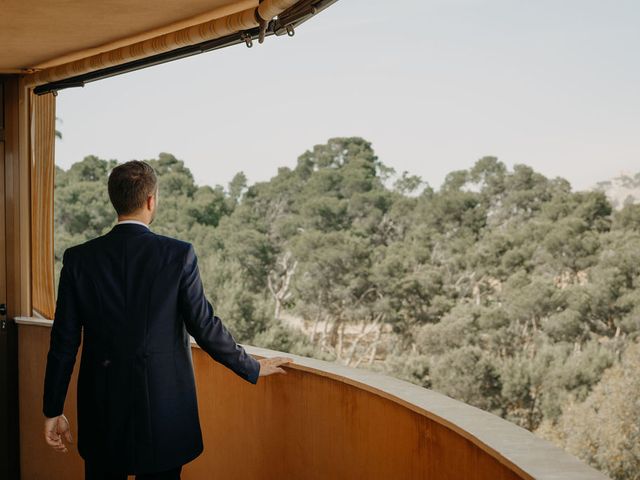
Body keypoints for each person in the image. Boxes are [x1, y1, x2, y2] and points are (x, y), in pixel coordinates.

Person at [42, 160, 293, 479]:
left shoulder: (79, 259)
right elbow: (204, 326)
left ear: (114, 200)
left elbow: (63, 343)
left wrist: (53, 409)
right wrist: (252, 365)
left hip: (101, 412)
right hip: (163, 413)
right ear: (151, 200)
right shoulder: (178, 254)